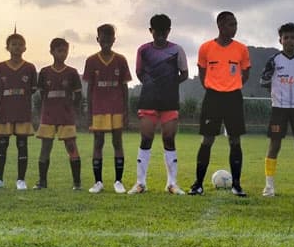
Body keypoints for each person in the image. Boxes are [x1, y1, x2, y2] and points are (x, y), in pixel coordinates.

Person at [189, 11, 251, 197]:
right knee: (207, 140)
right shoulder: (206, 48)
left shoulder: (241, 49)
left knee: (235, 140)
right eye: (231, 24)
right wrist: (214, 87)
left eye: (236, 24)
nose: (235, 28)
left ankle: (237, 185)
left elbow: (246, 73)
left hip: (234, 98)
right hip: (213, 98)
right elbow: (202, 73)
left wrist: (232, 86)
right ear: (220, 26)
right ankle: (198, 184)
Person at [128, 14, 189, 195]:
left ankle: (172, 184)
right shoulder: (143, 50)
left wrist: (169, 85)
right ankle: (140, 183)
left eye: (164, 32)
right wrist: (152, 86)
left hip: (170, 101)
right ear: (151, 31)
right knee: (146, 138)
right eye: (157, 32)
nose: (161, 36)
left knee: (169, 139)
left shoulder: (177, 50)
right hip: (148, 100)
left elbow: (184, 74)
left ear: (169, 31)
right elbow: (139, 73)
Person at [260, 22, 294, 197]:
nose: (289, 40)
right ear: (280, 40)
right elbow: (264, 81)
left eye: (293, 37)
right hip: (279, 109)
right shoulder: (274, 60)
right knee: (274, 145)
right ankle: (269, 187)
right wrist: (277, 93)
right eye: (286, 37)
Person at [83, 24, 131, 194]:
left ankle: (118, 181)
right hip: (98, 109)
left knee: (117, 142)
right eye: (103, 39)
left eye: (109, 39)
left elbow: (124, 88)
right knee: (98, 143)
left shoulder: (121, 60)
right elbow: (89, 89)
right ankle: (98, 182)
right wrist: (88, 112)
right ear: (98, 39)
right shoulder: (91, 61)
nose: (106, 42)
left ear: (114, 40)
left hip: (117, 108)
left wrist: (126, 111)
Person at [0, 31, 37, 190]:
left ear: (25, 48)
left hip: (22, 111)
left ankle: (21, 180)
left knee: (22, 145)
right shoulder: (1, 66)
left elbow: (33, 89)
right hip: (5, 111)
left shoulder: (30, 67)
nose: (17, 47)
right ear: (7, 47)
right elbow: (0, 89)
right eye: (13, 44)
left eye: (20, 44)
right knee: (2, 145)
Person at [34, 38, 83, 190]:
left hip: (66, 117)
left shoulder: (72, 72)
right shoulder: (44, 72)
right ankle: (42, 182)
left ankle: (77, 184)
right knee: (45, 148)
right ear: (52, 52)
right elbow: (41, 94)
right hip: (48, 116)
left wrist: (71, 110)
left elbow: (78, 96)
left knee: (71, 147)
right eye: (59, 51)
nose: (63, 54)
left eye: (65, 51)